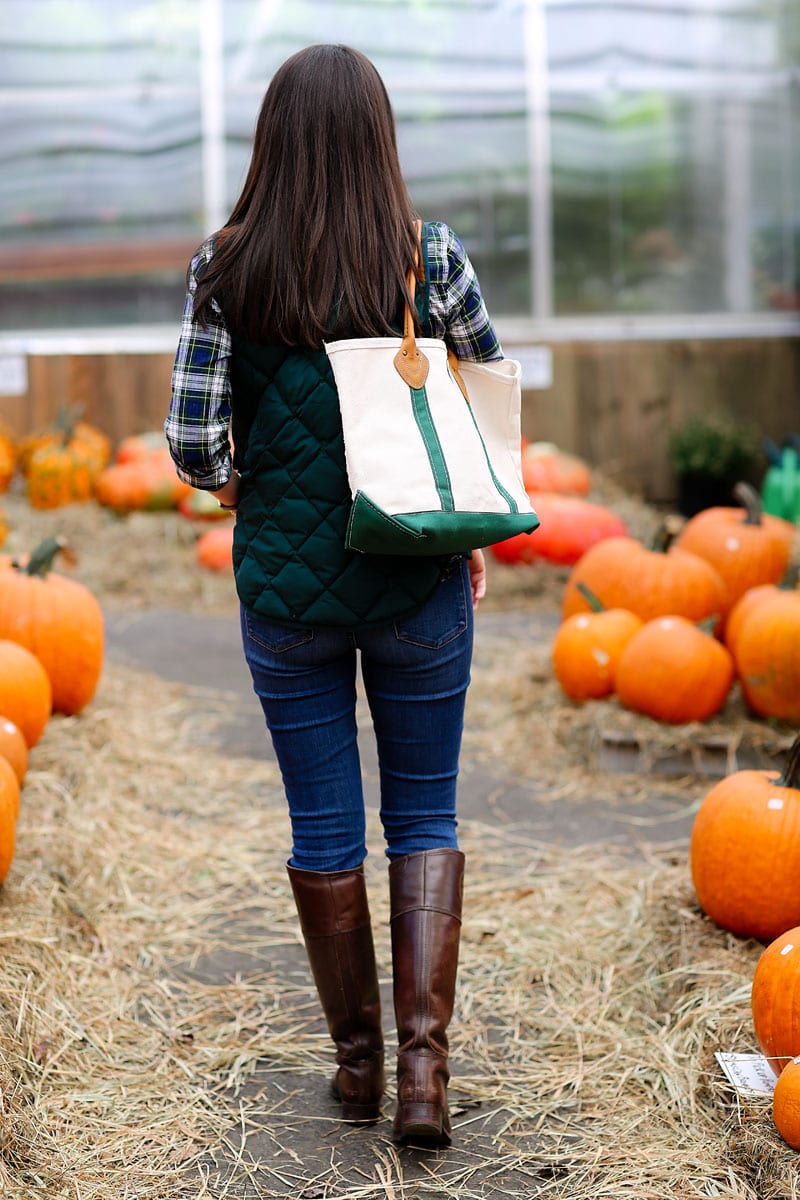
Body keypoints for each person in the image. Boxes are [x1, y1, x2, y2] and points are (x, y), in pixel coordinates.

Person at [165, 43, 504, 1148]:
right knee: (423, 812)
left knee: (322, 829)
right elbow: (486, 388)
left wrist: (249, 488)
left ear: (272, 142)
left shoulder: (225, 266)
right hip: (416, 584)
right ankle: (422, 1077)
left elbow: (190, 446)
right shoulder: (428, 258)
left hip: (284, 601)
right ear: (377, 138)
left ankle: (354, 1068)